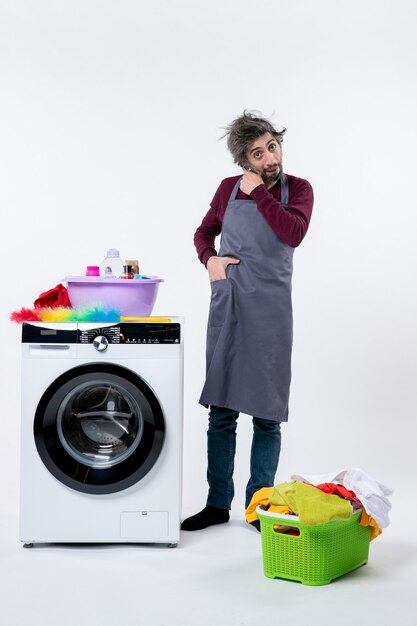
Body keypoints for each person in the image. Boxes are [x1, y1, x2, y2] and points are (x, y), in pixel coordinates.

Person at [181, 111, 314, 531]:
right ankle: (217, 504)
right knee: (220, 411)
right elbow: (203, 233)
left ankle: (258, 507)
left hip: (272, 311)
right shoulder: (226, 189)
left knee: (267, 415)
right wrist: (211, 260)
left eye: (272, 146)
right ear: (244, 161)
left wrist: (259, 193)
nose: (270, 157)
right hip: (231, 303)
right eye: (258, 153)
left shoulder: (300, 190)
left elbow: (292, 232)